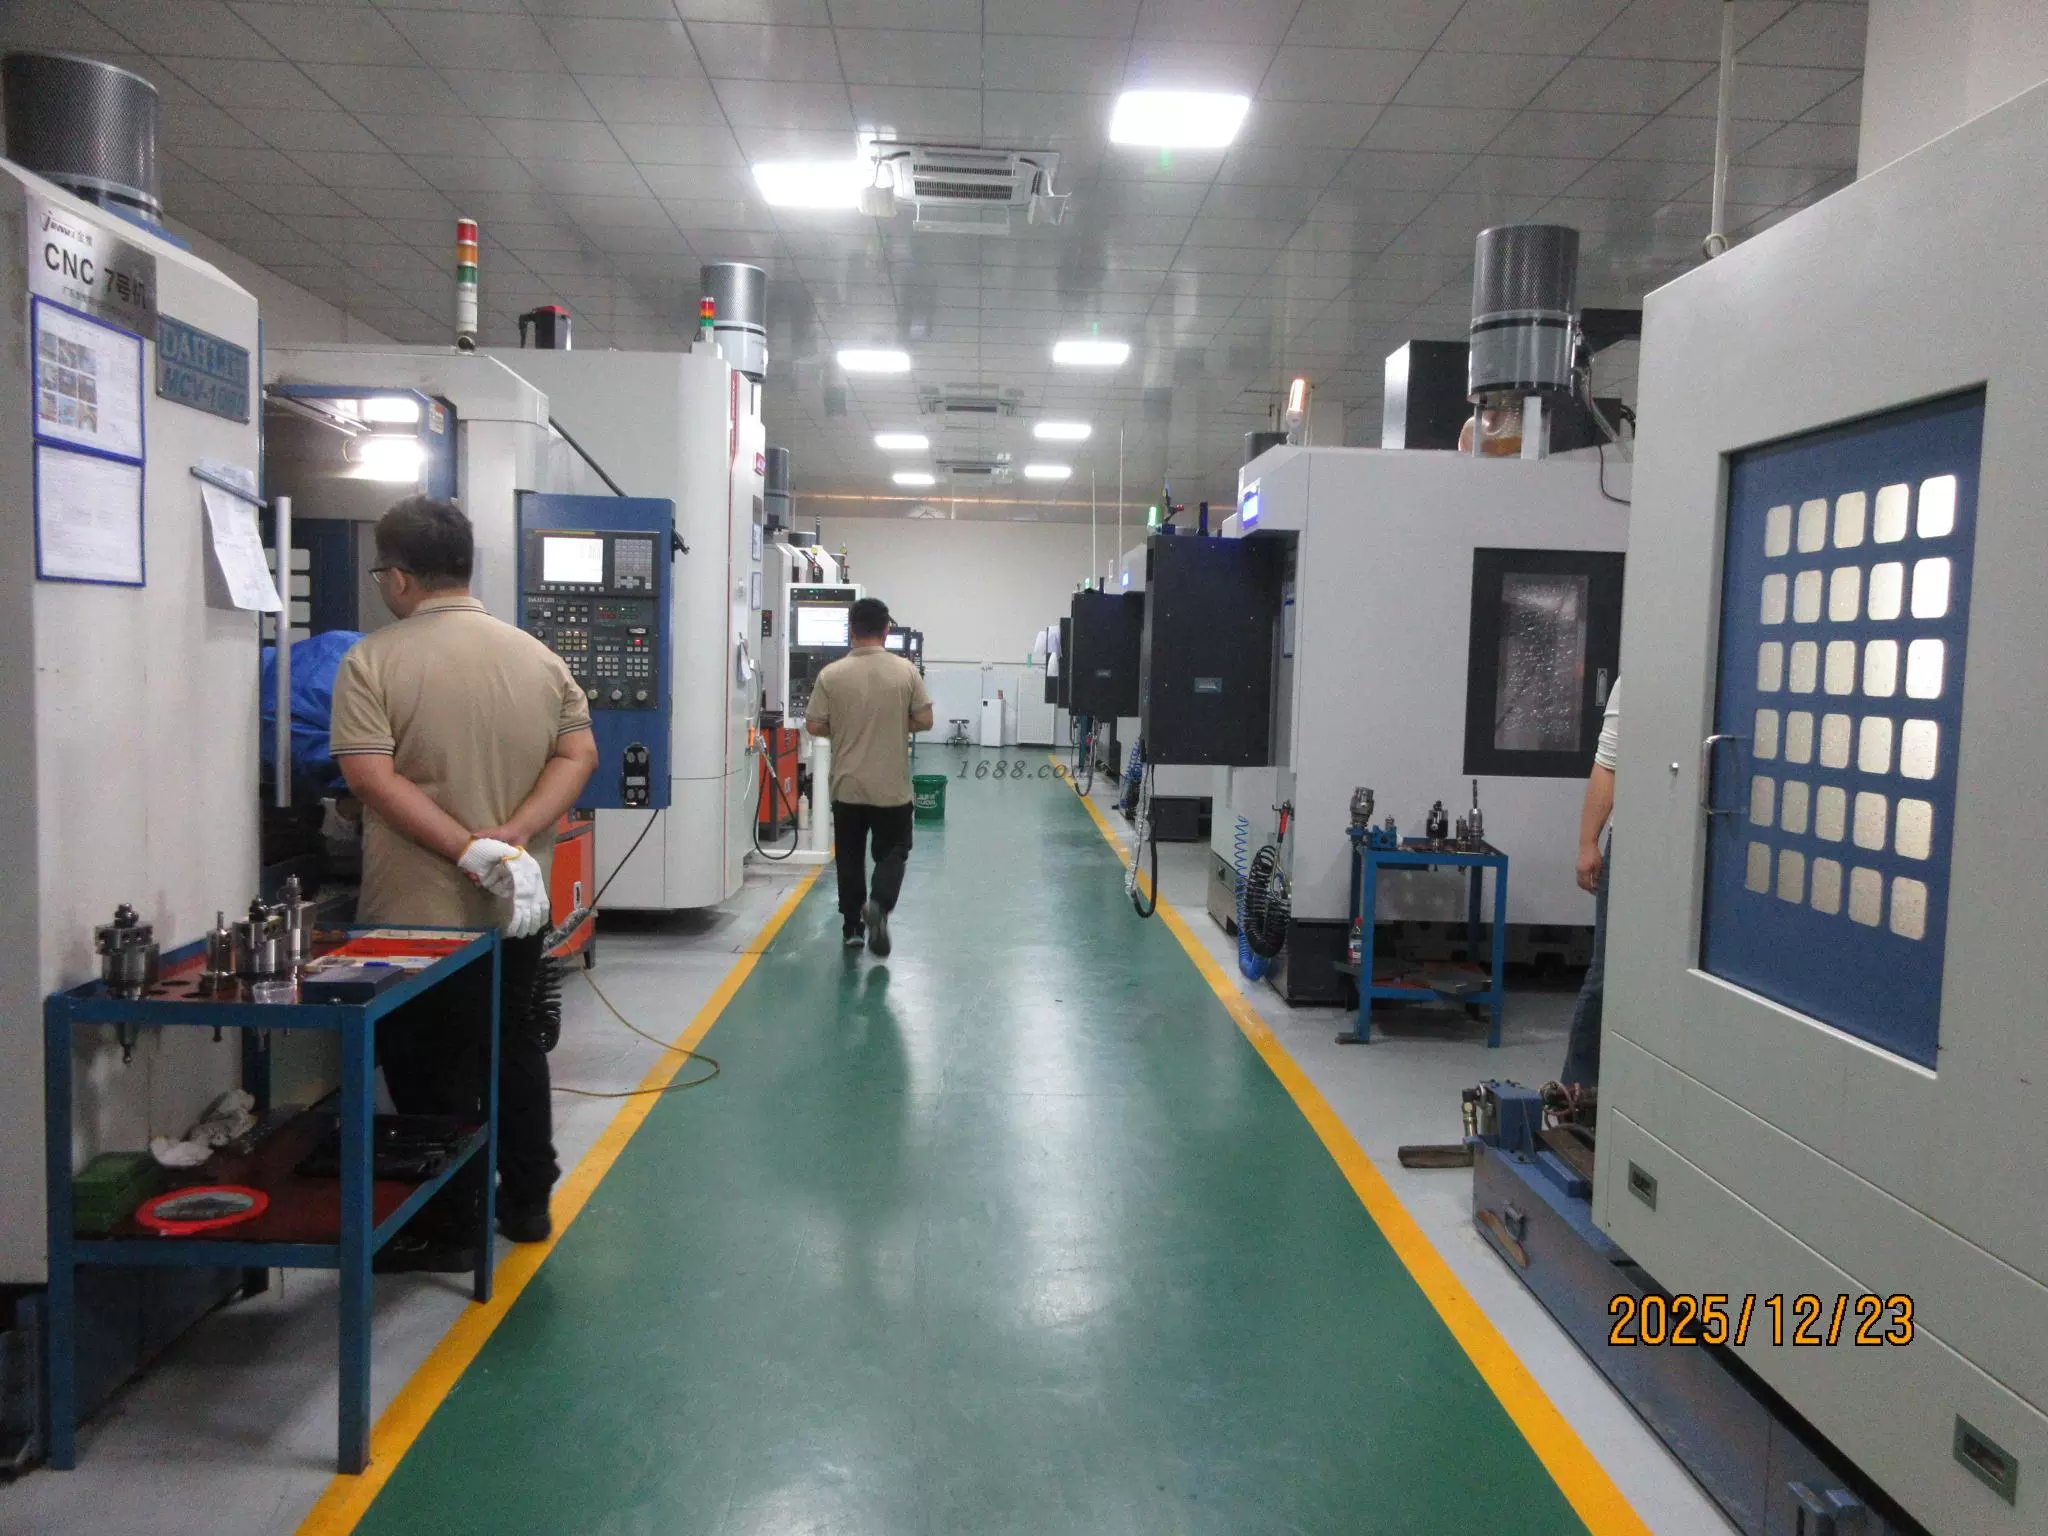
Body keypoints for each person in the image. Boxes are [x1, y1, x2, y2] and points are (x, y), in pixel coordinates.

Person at [330, 497, 597, 1248]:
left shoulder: (373, 661)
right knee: (512, 1043)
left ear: (399, 577)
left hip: (415, 912)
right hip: (515, 902)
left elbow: (370, 778)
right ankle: (528, 1201)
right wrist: (511, 836)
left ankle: (448, 1220)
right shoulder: (538, 659)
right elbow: (578, 755)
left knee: (426, 1062)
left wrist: (461, 848)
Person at [804, 596, 933, 957]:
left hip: (847, 786)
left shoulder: (831, 674)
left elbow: (813, 724)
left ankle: (852, 929)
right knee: (894, 850)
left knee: (849, 857)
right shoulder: (905, 671)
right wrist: (895, 723)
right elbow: (925, 720)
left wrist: (845, 727)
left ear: (851, 631)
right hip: (891, 788)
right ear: (886, 630)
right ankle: (879, 903)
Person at [1562, 678, 1620, 1088]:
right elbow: (1607, 763)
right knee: (1606, 973)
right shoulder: (1634, 680)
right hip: (1632, 847)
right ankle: (1574, 1093)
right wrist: (1588, 843)